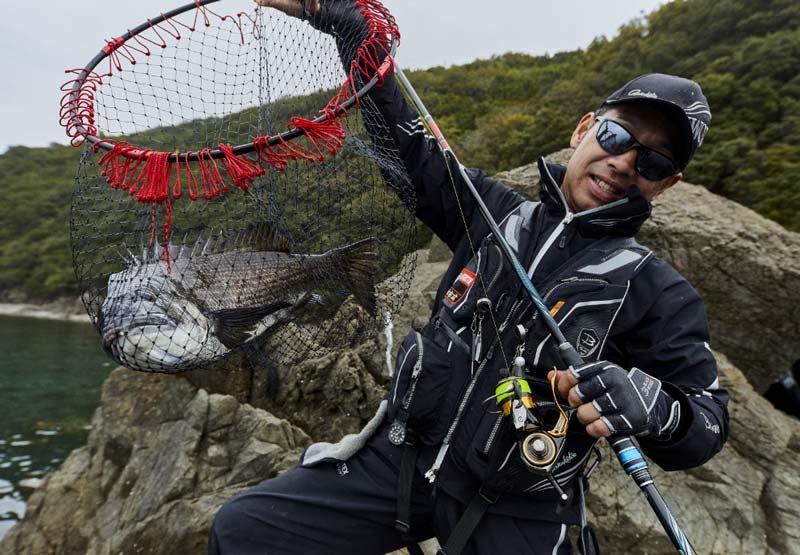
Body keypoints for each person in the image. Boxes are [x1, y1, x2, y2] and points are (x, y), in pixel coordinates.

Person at [208, 1, 730, 553]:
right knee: (242, 530)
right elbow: (404, 148)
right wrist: (342, 19)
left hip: (522, 503)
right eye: (618, 137)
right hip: (404, 462)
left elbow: (707, 422)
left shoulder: (659, 291)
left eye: (651, 163)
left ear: (665, 185)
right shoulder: (488, 210)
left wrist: (654, 405)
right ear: (584, 130)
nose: (625, 163)